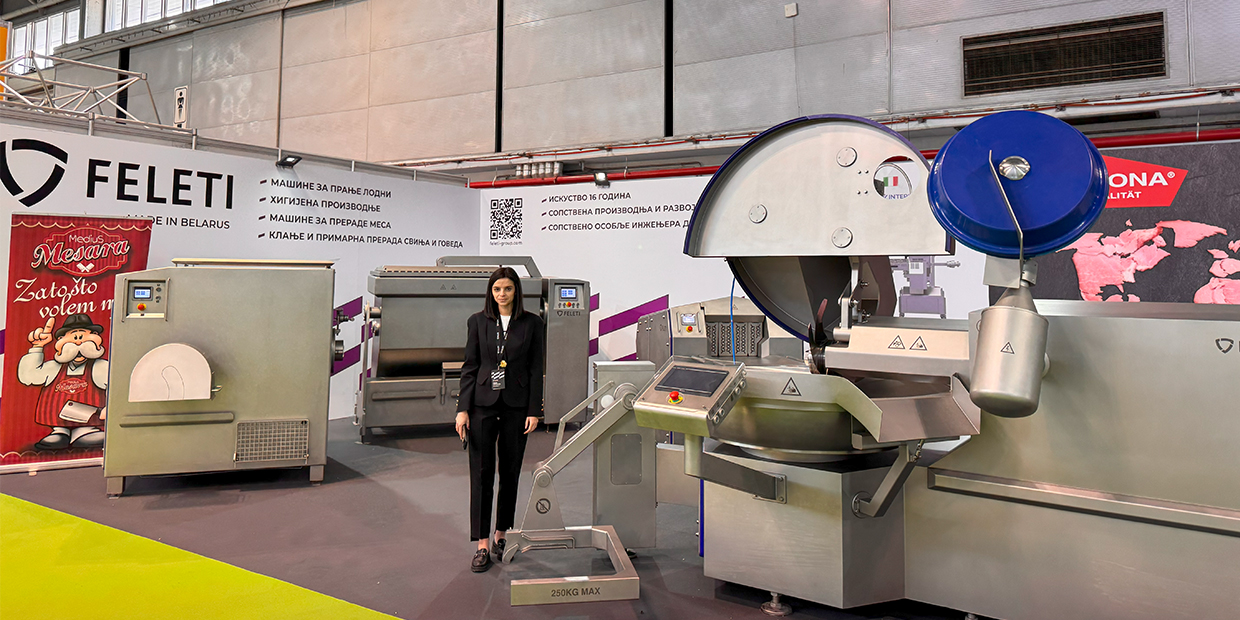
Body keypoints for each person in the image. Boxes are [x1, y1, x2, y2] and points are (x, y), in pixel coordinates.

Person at [455, 267, 543, 573]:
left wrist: (534, 410)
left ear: (516, 291)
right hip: (482, 405)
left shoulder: (532, 323)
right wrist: (462, 409)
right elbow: (470, 366)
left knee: (510, 472)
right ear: (490, 292)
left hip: (516, 407)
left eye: (507, 288)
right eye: (497, 289)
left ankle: (501, 535)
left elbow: (536, 368)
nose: (502, 294)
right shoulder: (477, 322)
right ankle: (481, 543)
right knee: (481, 474)